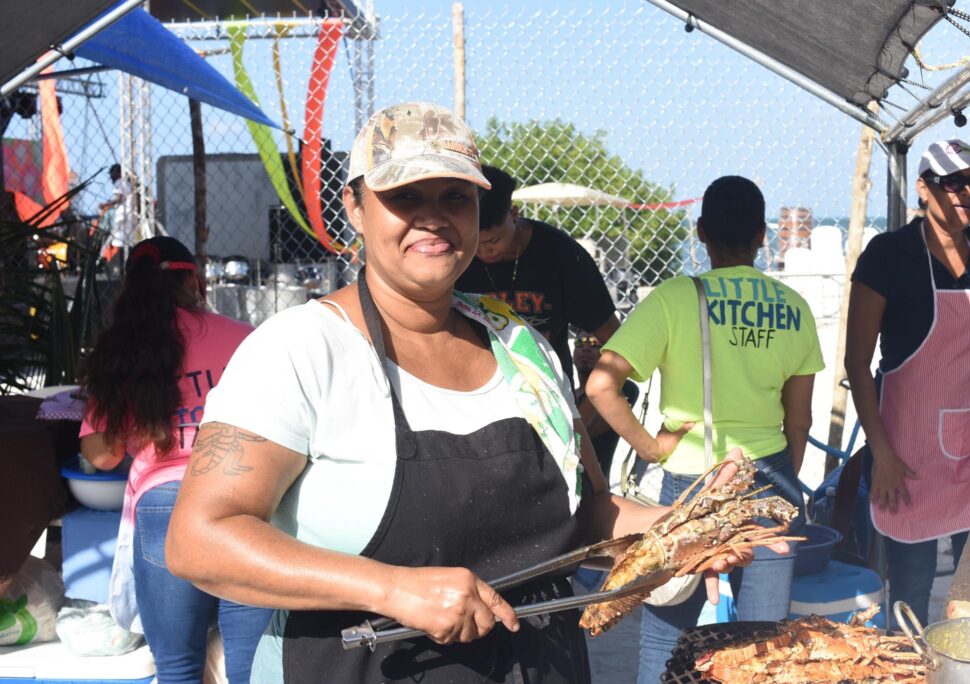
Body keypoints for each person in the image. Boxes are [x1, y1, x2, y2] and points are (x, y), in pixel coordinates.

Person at [163, 102, 772, 684]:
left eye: (455, 197)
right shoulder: (301, 349)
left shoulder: (523, 348)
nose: (433, 217)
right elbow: (200, 539)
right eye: (404, 196)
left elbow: (585, 515)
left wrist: (675, 531)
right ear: (355, 205)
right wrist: (393, 588)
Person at [587, 175, 823, 684]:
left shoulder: (673, 299)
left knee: (665, 631)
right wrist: (781, 482)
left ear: (700, 232)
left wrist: (651, 446)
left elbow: (600, 387)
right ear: (763, 236)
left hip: (691, 483)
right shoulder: (794, 308)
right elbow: (799, 419)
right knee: (763, 641)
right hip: (770, 476)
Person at [78, 236, 272, 683]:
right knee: (251, 668)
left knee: (178, 668)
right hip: (244, 499)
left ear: (131, 287)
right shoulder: (244, 337)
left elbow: (103, 456)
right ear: (194, 279)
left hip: (165, 508)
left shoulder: (120, 357)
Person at [846, 139, 970, 624]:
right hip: (908, 450)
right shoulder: (889, 254)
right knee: (911, 589)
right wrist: (880, 454)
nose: (967, 193)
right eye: (954, 182)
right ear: (923, 188)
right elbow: (856, 363)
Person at [455, 165, 620, 387]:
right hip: (477, 389)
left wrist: (591, 403)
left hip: (549, 389)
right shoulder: (455, 253)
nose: (484, 252)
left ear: (514, 214)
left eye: (494, 241)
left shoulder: (561, 255)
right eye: (475, 242)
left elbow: (612, 337)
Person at [573, 331, 639, 479]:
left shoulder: (624, 389)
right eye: (579, 343)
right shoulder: (568, 394)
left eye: (595, 344)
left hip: (593, 491)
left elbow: (576, 433)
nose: (585, 348)